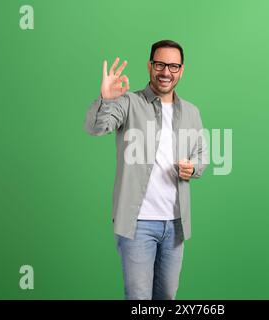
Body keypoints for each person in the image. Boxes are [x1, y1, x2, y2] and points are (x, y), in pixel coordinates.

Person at [83, 40, 208, 300]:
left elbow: (202, 155)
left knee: (167, 298)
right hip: (137, 224)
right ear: (150, 66)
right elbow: (95, 127)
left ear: (181, 70)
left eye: (173, 66)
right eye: (160, 64)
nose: (166, 72)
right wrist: (105, 99)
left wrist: (193, 168)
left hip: (175, 226)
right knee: (139, 300)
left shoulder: (192, 113)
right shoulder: (128, 103)